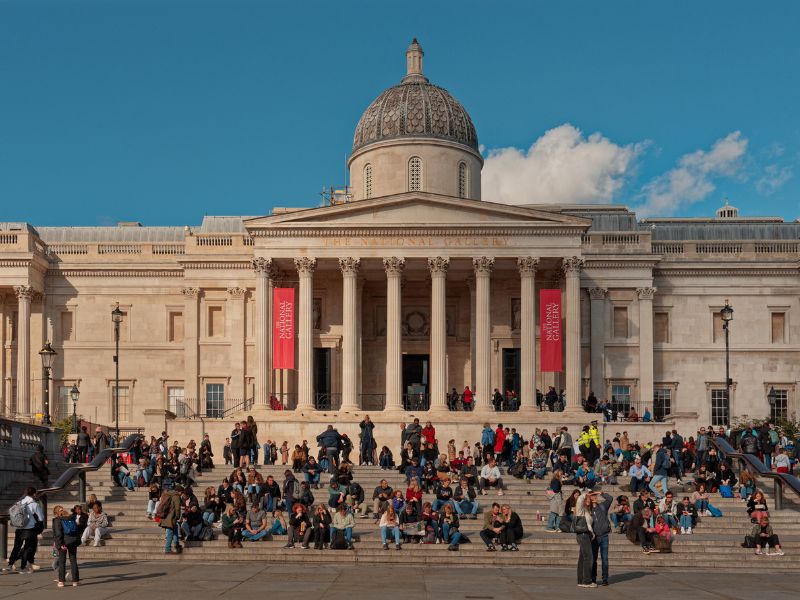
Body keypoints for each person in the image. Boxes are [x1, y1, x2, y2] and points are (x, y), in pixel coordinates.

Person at [3, 487, 43, 574]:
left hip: (19, 528)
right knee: (27, 548)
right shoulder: (34, 504)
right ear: (34, 494)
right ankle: (22, 568)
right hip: (29, 529)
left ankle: (9, 566)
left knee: (16, 547)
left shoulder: (20, 502)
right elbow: (41, 518)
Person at [52, 505, 80, 587]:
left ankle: (61, 581)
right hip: (73, 541)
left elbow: (58, 534)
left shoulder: (57, 520)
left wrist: (59, 544)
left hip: (63, 542)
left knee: (62, 561)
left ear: (55, 513)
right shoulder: (71, 518)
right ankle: (75, 581)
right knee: (73, 560)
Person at [590, 492, 613, 586]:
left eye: (595, 495)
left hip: (604, 536)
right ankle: (593, 578)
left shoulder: (603, 506)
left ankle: (605, 579)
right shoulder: (588, 509)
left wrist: (601, 493)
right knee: (593, 559)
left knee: (605, 559)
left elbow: (610, 498)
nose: (594, 497)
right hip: (594, 537)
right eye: (592, 495)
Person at [574, 492, 595, 588]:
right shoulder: (580, 510)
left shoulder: (587, 510)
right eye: (586, 499)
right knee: (589, 557)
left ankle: (581, 581)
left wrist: (592, 533)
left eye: (589, 500)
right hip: (583, 534)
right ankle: (587, 581)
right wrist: (585, 494)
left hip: (586, 535)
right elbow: (579, 501)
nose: (588, 501)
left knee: (582, 558)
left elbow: (590, 525)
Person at [158, 484, 183, 554]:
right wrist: (178, 516)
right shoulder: (176, 496)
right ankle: (167, 549)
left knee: (175, 529)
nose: (181, 495)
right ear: (179, 491)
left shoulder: (167, 494)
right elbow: (177, 508)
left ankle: (177, 544)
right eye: (181, 493)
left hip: (165, 516)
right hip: (171, 518)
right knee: (170, 534)